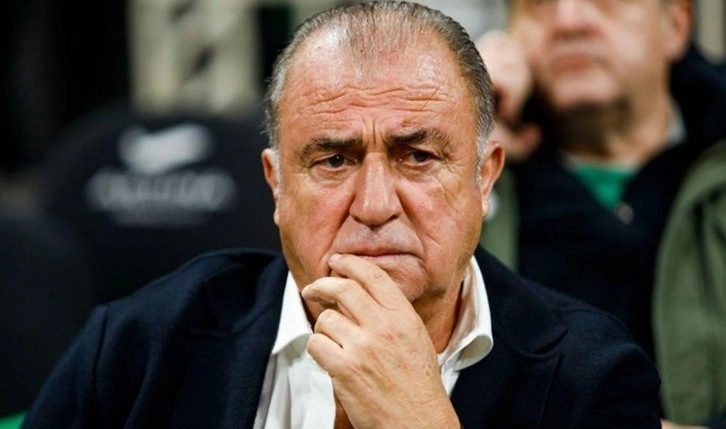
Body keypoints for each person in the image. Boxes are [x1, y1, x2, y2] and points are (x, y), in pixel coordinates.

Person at [21, 2, 660, 428]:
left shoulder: (594, 379)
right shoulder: (138, 345)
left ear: (484, 175)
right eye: (332, 160)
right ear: (276, 185)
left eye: (417, 157)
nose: (375, 205)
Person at [475, 0, 726, 428]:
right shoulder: (475, 182)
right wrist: (460, 131)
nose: (568, 20)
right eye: (539, 4)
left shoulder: (711, 170)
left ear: (676, 23)